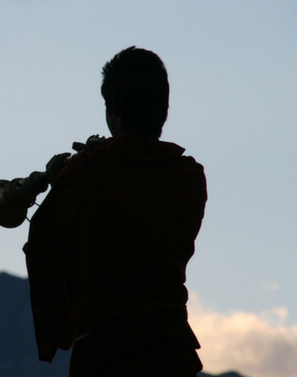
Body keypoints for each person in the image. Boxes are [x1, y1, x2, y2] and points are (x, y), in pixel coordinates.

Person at [23, 47, 207, 376]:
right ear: (163, 110)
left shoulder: (85, 174)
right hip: (172, 352)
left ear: (112, 110)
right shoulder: (190, 177)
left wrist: (60, 183)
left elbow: (44, 247)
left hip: (107, 356)